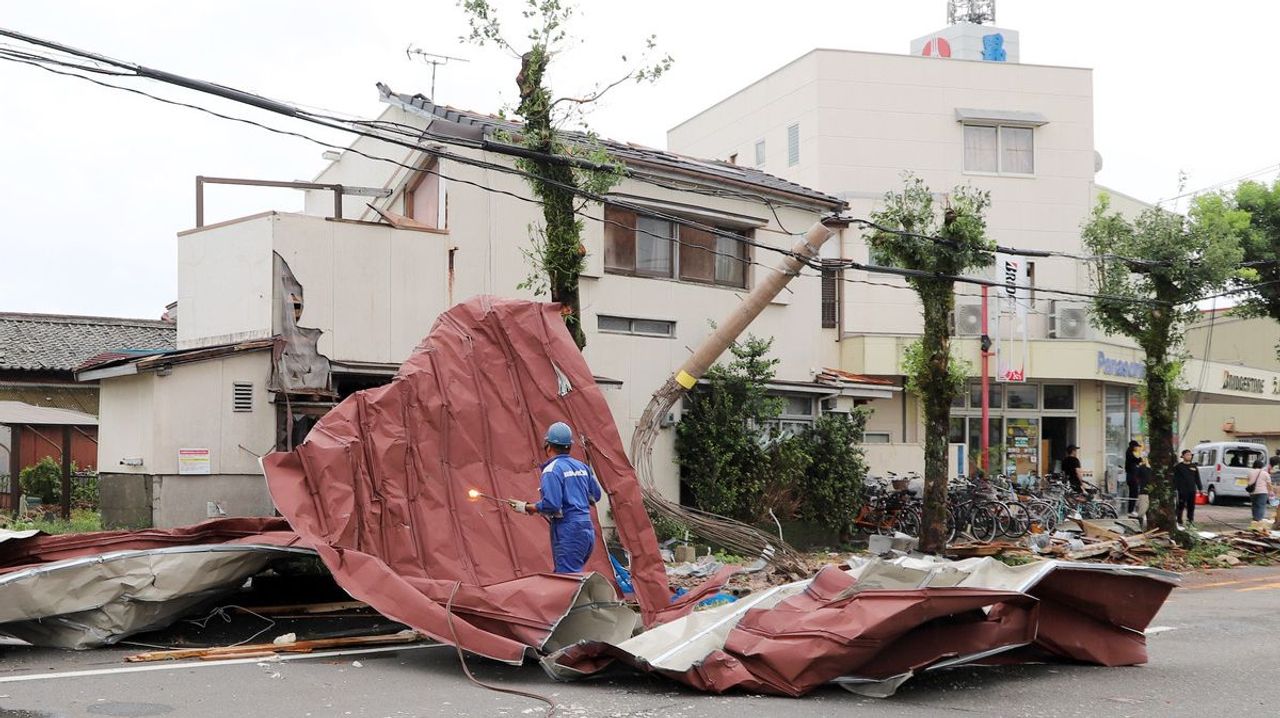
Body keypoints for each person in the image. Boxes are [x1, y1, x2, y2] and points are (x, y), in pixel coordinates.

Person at [511, 421, 603, 573]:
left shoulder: (552, 470)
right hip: (586, 531)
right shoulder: (582, 467)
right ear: (569, 446)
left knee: (567, 579)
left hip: (568, 531)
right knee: (574, 575)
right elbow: (596, 496)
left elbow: (552, 505)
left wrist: (526, 507)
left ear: (548, 445)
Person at [1172, 449, 1202, 528]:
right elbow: (1174, 478)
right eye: (1187, 454)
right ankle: (1179, 521)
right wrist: (1175, 488)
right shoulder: (1178, 466)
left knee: (1191, 506)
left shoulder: (1194, 466)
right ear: (1183, 456)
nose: (1189, 456)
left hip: (1192, 489)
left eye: (1190, 455)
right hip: (1182, 490)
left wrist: (1200, 488)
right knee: (1180, 506)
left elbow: (1197, 478)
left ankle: (1190, 521)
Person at [1245, 458, 1273, 523]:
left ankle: (1255, 519)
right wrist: (1271, 492)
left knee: (1254, 506)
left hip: (1252, 492)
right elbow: (1269, 484)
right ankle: (1259, 520)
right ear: (1261, 465)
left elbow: (1249, 482)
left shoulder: (1250, 472)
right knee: (1261, 506)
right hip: (1262, 492)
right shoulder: (1265, 473)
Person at [1124, 440, 1142, 513]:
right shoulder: (1129, 454)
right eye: (1136, 446)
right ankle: (1131, 510)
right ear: (1133, 447)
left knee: (1134, 493)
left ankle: (1131, 510)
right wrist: (1140, 459)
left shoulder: (1129, 453)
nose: (1137, 448)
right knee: (1133, 493)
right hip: (1132, 477)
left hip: (1131, 477)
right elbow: (1136, 460)